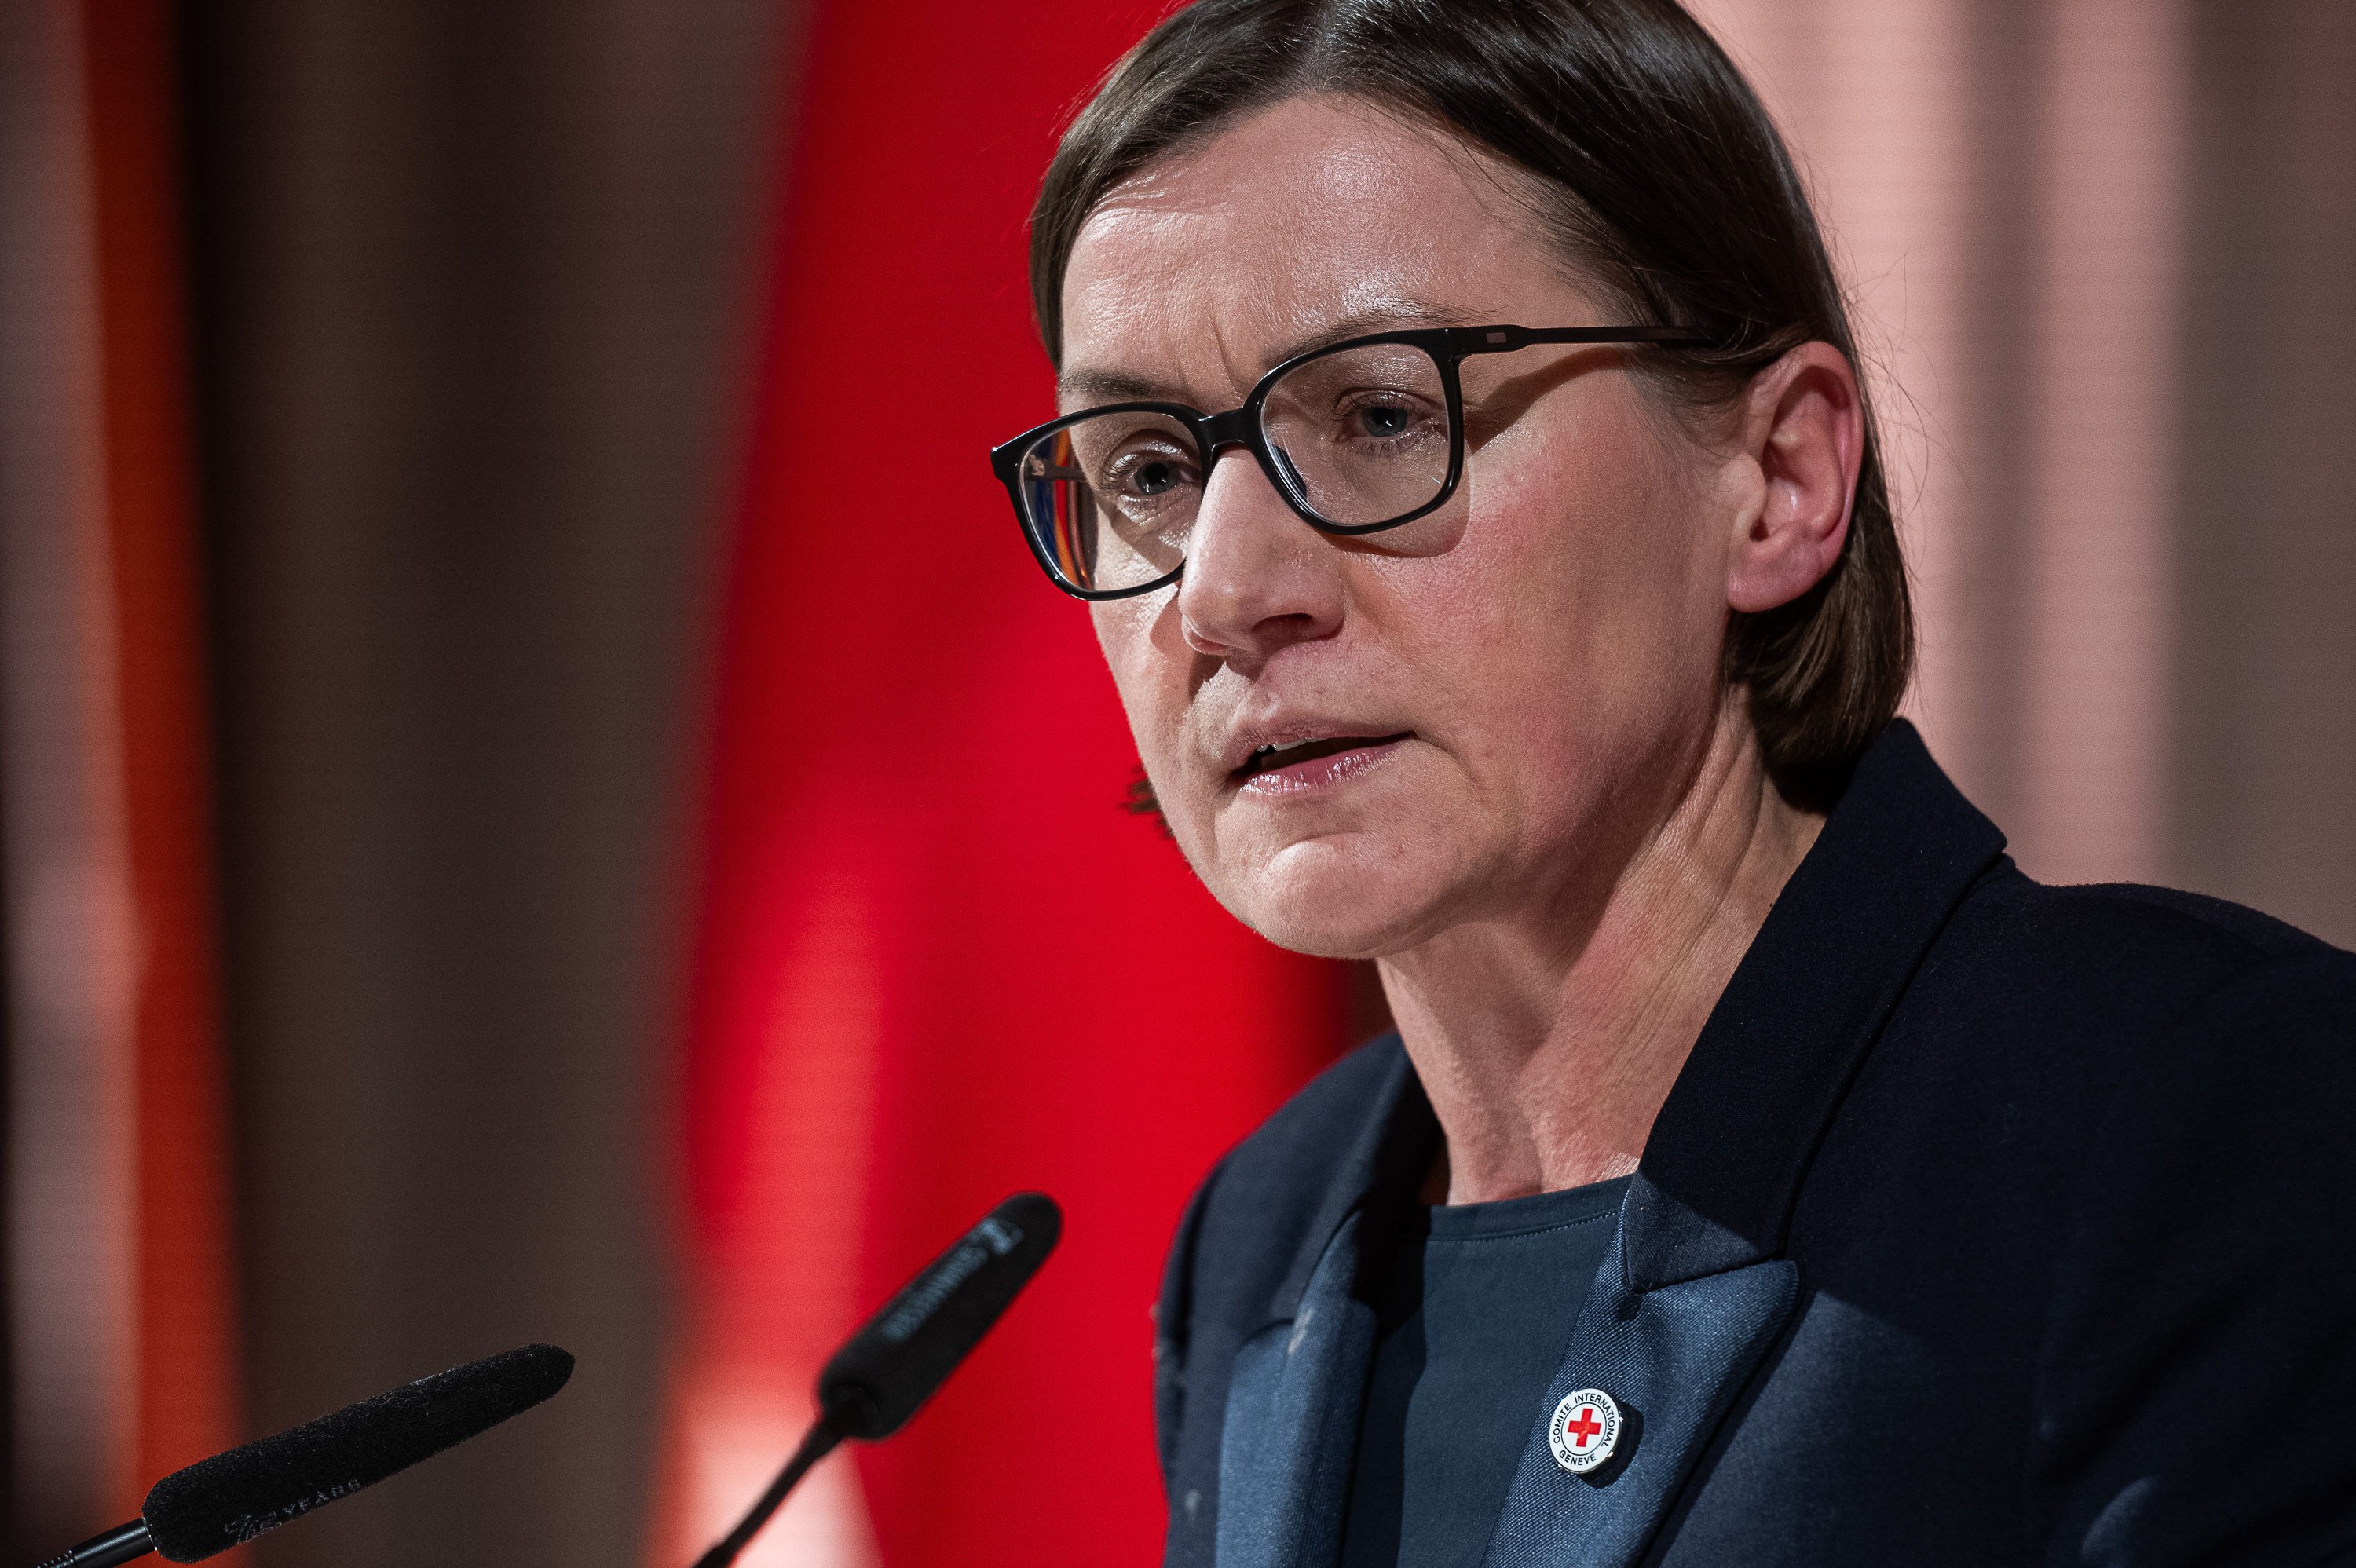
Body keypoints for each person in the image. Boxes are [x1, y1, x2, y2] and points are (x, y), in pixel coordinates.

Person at [986, 2, 2356, 1563]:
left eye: (1380, 417)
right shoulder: (1265, 1231)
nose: (1223, 592)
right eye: (1147, 470)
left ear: (1777, 481)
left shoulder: (2201, 1115)